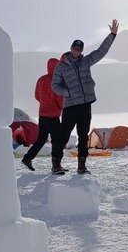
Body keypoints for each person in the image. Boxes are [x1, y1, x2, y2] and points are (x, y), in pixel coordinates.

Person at [51, 19, 119, 175]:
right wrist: (68, 93)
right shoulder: (61, 66)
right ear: (70, 48)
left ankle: (81, 166)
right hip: (70, 106)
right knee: (63, 136)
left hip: (85, 105)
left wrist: (112, 35)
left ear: (81, 50)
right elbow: (55, 86)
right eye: (74, 48)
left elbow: (101, 51)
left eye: (79, 48)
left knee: (83, 136)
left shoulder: (86, 61)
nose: (76, 50)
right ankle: (56, 164)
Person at [21, 58, 65, 171]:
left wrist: (44, 103)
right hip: (53, 116)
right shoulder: (57, 80)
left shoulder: (41, 79)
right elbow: (60, 99)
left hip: (42, 115)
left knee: (41, 139)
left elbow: (37, 95)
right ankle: (56, 165)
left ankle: (27, 158)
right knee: (57, 140)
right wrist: (61, 107)